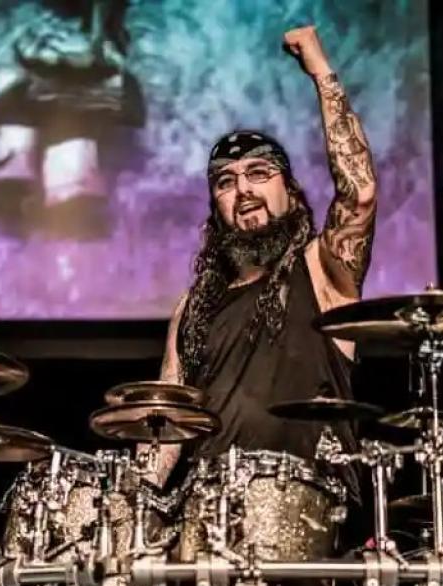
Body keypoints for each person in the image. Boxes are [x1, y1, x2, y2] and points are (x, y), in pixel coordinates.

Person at [147, 25, 377, 489]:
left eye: (258, 173)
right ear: (215, 207)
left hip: (306, 504)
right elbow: (168, 422)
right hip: (208, 508)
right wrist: (139, 500)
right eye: (225, 182)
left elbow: (360, 194)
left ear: (290, 191)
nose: (243, 190)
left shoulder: (323, 270)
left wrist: (320, 70)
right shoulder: (192, 307)